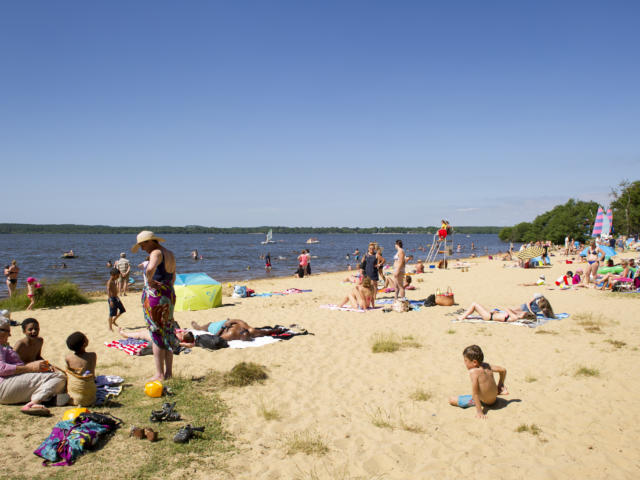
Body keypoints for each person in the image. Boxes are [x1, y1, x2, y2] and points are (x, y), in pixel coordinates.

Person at [132, 231, 179, 382]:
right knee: (168, 331)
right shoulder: (169, 253)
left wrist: (149, 280)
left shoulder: (156, 252)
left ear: (151, 241)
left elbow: (150, 268)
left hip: (156, 297)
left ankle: (159, 373)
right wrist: (167, 288)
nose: (141, 248)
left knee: (156, 333)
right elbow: (173, 277)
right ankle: (169, 373)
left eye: (142, 244)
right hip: (169, 294)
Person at [0, 317, 66, 416]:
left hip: (8, 385)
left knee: (59, 376)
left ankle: (47, 399)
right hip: (4, 387)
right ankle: (33, 403)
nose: (10, 334)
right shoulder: (19, 344)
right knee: (59, 377)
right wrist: (30, 368)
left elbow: (34, 359)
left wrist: (44, 366)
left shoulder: (3, 346)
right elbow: (2, 369)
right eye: (7, 331)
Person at [449, 345, 508, 419]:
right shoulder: (487, 365)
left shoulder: (473, 372)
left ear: (474, 362)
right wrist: (500, 385)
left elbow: (475, 394)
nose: (464, 363)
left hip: (485, 402)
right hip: (494, 399)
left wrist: (479, 412)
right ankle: (499, 389)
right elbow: (503, 370)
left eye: (465, 360)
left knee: (451, 400)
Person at [65, 332, 97, 407]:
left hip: (76, 395)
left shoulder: (68, 358)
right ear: (84, 344)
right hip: (89, 394)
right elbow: (93, 373)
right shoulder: (92, 355)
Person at [189, 319, 287, 342]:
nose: (242, 329)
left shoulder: (231, 335)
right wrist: (277, 330)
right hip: (226, 322)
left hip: (216, 327)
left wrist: (223, 328)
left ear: (240, 336)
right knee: (256, 331)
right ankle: (198, 326)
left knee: (204, 327)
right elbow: (265, 332)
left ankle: (196, 326)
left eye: (242, 331)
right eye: (244, 330)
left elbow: (216, 338)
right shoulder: (249, 329)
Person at [457, 303, 536, 323]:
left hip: (489, 317)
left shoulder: (515, 317)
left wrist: (516, 313)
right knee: (476, 306)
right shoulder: (515, 317)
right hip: (491, 314)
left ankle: (462, 317)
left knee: (474, 304)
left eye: (523, 313)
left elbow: (507, 309)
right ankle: (463, 316)